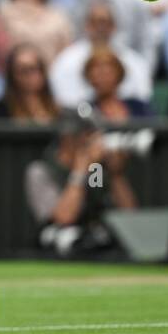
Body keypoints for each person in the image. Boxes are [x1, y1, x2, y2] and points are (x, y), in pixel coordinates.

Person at [25, 108, 136, 256]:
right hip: (59, 248)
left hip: (95, 245)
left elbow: (128, 214)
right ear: (67, 139)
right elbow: (63, 218)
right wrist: (80, 169)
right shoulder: (41, 171)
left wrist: (116, 175)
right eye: (86, 135)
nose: (92, 141)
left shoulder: (95, 169)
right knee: (63, 236)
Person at [0, 43, 60, 123]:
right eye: (24, 70)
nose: (31, 75)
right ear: (12, 74)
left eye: (36, 68)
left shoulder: (59, 111)